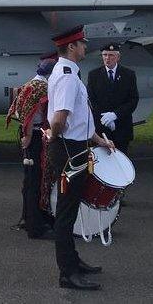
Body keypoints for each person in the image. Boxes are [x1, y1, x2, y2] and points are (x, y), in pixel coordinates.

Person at [48, 26, 115, 291]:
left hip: (75, 146)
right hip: (68, 149)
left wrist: (98, 140)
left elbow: (79, 118)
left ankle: (73, 261)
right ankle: (67, 273)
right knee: (66, 214)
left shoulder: (70, 74)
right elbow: (60, 119)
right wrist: (57, 138)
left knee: (72, 209)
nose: (86, 47)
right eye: (82, 44)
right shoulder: (66, 77)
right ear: (72, 47)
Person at [5, 54, 56, 239]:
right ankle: (36, 226)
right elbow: (29, 114)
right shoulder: (41, 88)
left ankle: (30, 218)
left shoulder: (31, 84)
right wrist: (27, 135)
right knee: (35, 181)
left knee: (30, 181)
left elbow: (19, 109)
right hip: (34, 135)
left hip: (31, 133)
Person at [87, 43, 139, 155]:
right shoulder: (94, 75)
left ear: (118, 57)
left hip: (122, 126)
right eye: (104, 55)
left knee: (122, 159)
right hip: (101, 127)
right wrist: (104, 117)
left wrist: (115, 115)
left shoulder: (128, 74)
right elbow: (91, 99)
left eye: (111, 55)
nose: (107, 58)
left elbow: (133, 99)